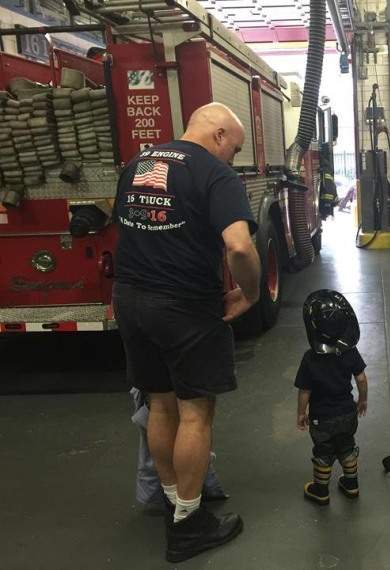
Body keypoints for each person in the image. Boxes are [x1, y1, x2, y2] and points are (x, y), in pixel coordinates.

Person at [112, 102, 261, 563]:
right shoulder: (215, 174)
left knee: (159, 403)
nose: (232, 160)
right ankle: (190, 525)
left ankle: (175, 503)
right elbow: (238, 245)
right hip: (183, 307)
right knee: (195, 414)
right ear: (217, 135)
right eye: (233, 149)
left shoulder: (139, 164)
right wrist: (251, 294)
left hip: (131, 299)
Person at [295, 289, 368, 505]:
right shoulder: (350, 352)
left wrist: (301, 413)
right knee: (346, 447)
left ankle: (320, 490)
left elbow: (305, 391)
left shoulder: (310, 358)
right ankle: (351, 484)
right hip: (347, 413)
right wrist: (362, 400)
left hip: (321, 418)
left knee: (324, 452)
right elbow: (361, 379)